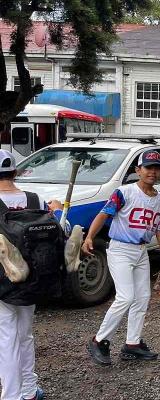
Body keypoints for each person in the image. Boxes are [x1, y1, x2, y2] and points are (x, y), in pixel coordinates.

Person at [0, 149, 76, 400]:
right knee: (25, 334)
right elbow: (60, 231)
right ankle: (29, 390)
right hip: (36, 277)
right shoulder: (35, 200)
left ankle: (11, 395)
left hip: (4, 282)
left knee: (7, 338)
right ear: (15, 172)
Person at [85, 149, 160, 365]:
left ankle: (132, 344)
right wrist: (89, 238)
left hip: (142, 251)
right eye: (148, 167)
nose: (152, 171)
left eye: (156, 168)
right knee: (125, 297)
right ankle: (99, 340)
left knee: (142, 297)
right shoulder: (124, 192)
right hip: (120, 249)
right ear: (138, 170)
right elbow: (104, 214)